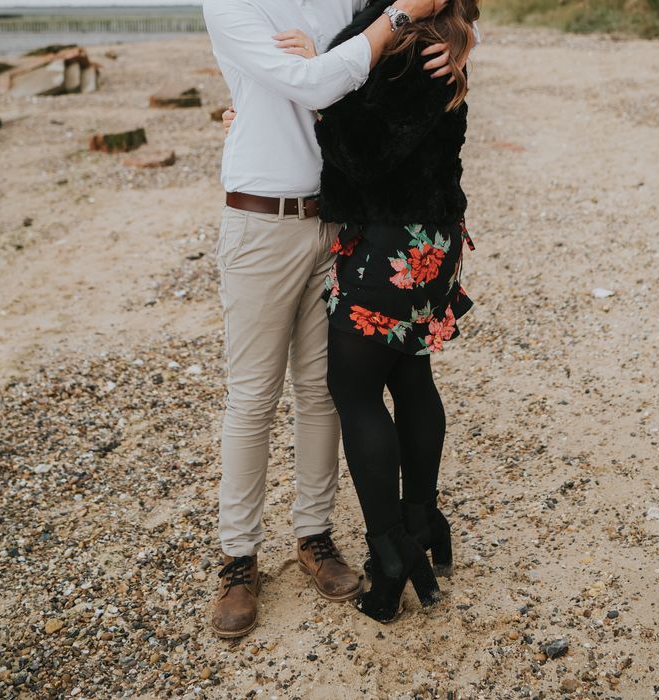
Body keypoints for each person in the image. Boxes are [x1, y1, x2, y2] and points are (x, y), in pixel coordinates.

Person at [202, 0, 457, 639]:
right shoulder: (230, 4)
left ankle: (314, 536)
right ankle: (239, 557)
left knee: (323, 393)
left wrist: (462, 37)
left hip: (339, 222)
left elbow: (418, 26)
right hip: (260, 219)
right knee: (253, 397)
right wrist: (401, 16)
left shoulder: (343, 0)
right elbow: (316, 81)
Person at [309, 0, 479, 622]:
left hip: (391, 242)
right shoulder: (445, 36)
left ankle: (389, 552)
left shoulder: (409, 45)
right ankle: (422, 521)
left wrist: (321, 92)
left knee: (353, 391)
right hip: (431, 239)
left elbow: (367, 155)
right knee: (410, 374)